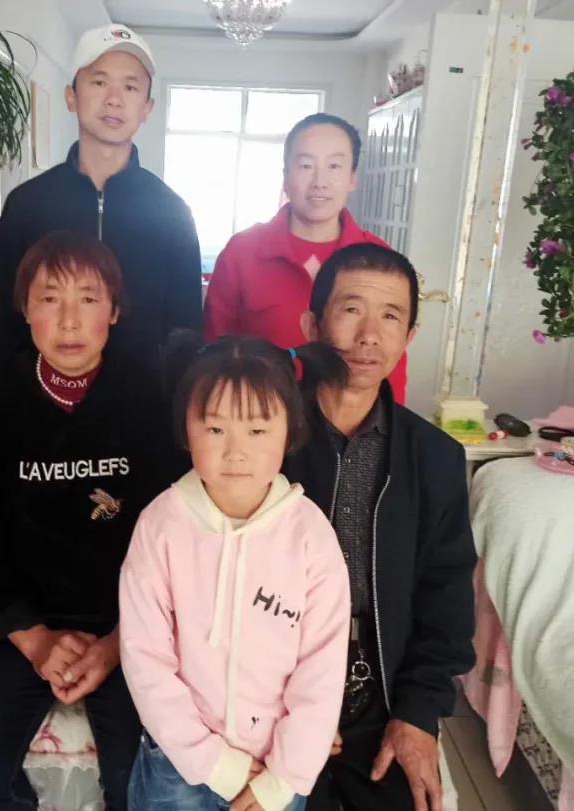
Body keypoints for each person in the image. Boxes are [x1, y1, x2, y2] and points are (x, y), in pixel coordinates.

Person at [0, 232, 169, 811]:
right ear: (25, 309)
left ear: (114, 311)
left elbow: (177, 540)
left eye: (88, 299)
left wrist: (117, 644)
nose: (69, 321)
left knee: (143, 789)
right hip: (19, 623)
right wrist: (33, 639)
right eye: (50, 298)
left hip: (132, 626)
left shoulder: (151, 403)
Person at [120, 335, 353, 811]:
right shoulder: (160, 526)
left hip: (273, 771)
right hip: (177, 764)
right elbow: (145, 658)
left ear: (290, 432)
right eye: (214, 428)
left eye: (257, 430)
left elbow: (322, 671)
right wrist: (210, 762)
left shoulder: (311, 536)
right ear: (185, 429)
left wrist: (285, 778)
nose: (235, 452)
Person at [284, 243, 476, 811]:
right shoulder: (265, 436)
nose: (369, 335)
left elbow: (446, 600)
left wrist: (417, 715)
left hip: (377, 694)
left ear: (409, 335)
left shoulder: (434, 457)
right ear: (312, 325)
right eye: (351, 310)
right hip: (274, 689)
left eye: (390, 316)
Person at [0, 23, 201, 376]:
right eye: (99, 82)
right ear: (71, 96)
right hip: (43, 400)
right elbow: (5, 324)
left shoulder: (172, 213)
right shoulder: (27, 204)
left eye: (130, 86)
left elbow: (186, 333)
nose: (114, 99)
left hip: (143, 402)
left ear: (147, 108)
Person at [203, 113, 409, 404]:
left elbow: (392, 358)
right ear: (286, 176)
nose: (319, 182)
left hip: (351, 425)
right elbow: (215, 354)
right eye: (305, 166)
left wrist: (390, 427)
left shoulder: (378, 259)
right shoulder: (243, 252)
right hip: (262, 420)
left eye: (334, 166)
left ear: (352, 177)